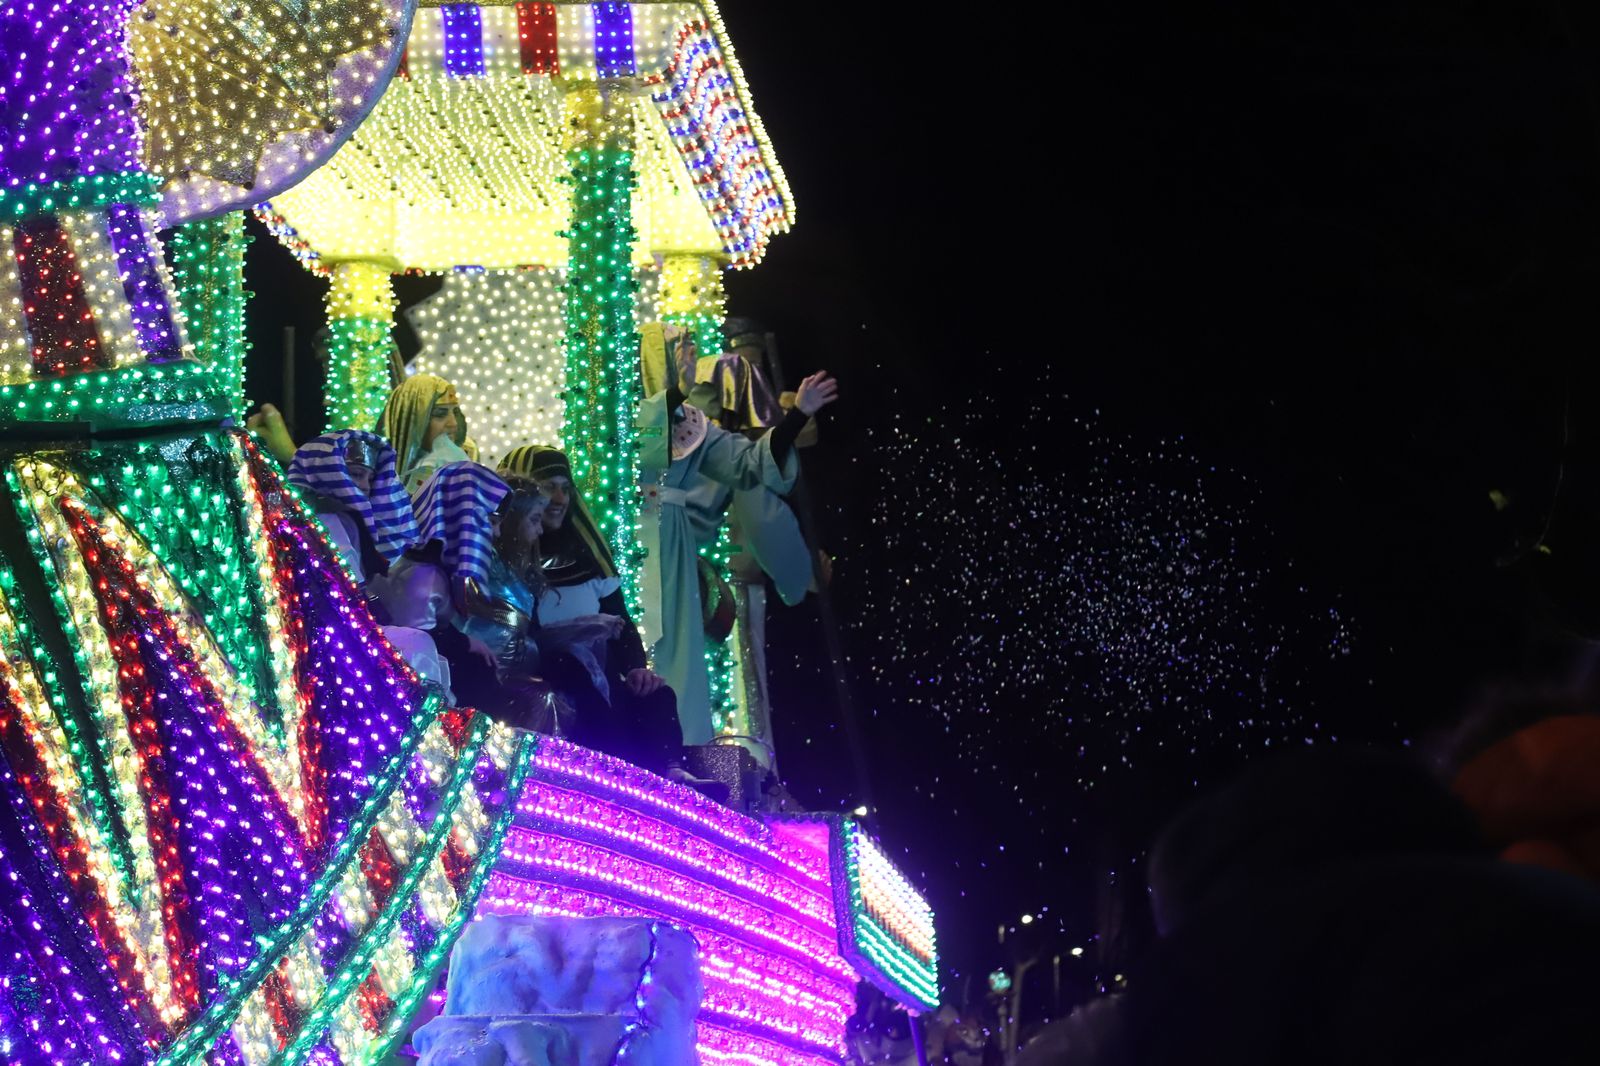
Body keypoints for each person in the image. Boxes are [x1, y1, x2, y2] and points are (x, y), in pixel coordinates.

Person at [636, 331, 840, 746]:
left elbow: (750, 464)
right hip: (632, 537)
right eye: (680, 353)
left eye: (690, 352)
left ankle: (681, 754)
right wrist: (676, 391)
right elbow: (648, 443)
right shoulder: (622, 415)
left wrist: (798, 414)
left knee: (679, 660)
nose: (690, 359)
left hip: (676, 552)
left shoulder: (691, 423)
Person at [496, 446, 726, 795]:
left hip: (600, 672)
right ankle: (620, 780)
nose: (558, 498)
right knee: (573, 672)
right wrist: (579, 631)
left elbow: (621, 622)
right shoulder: (510, 562)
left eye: (565, 487)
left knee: (655, 695)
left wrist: (636, 668)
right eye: (547, 487)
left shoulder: (589, 557)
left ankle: (672, 775)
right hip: (549, 676)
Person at [370, 462, 563, 731]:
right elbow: (416, 657)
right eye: (491, 522)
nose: (496, 533)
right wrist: (462, 644)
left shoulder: (436, 572)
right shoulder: (422, 578)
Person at [286, 429, 452, 698]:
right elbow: (345, 596)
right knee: (417, 644)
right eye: (356, 474)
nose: (365, 486)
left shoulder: (342, 520)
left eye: (370, 478)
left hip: (337, 631)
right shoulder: (321, 522)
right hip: (315, 639)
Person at [376, 373, 476, 495]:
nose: (453, 423)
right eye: (440, 414)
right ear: (411, 419)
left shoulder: (467, 455)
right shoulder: (372, 468)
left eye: (455, 412)